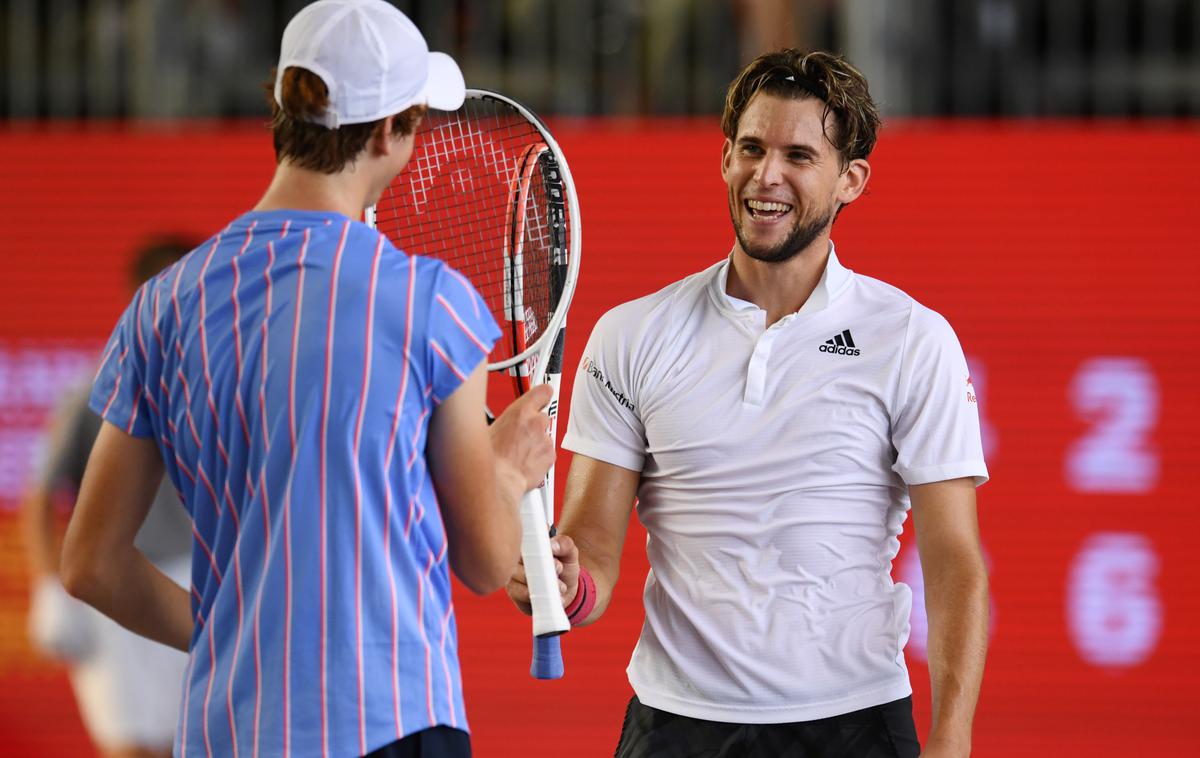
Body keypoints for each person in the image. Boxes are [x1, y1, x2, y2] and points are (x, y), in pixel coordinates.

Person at [58, 2, 555, 757]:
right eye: (417, 123)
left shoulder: (163, 304)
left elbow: (91, 563)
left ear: (283, 108)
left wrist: (236, 638)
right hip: (395, 725)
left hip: (230, 732)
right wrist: (511, 467)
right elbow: (485, 561)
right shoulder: (430, 298)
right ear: (389, 133)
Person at [508, 49, 989, 758]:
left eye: (799, 155)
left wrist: (951, 740)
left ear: (850, 180)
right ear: (725, 158)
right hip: (674, 725)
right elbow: (595, 556)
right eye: (752, 149)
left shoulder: (913, 339)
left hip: (856, 725)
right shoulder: (632, 335)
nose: (768, 176)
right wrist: (566, 586)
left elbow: (954, 563)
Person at [23, 240, 194, 758]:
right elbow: (40, 498)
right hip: (118, 589)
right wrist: (47, 586)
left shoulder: (219, 388)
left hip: (198, 584)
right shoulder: (93, 391)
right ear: (141, 298)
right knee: (131, 748)